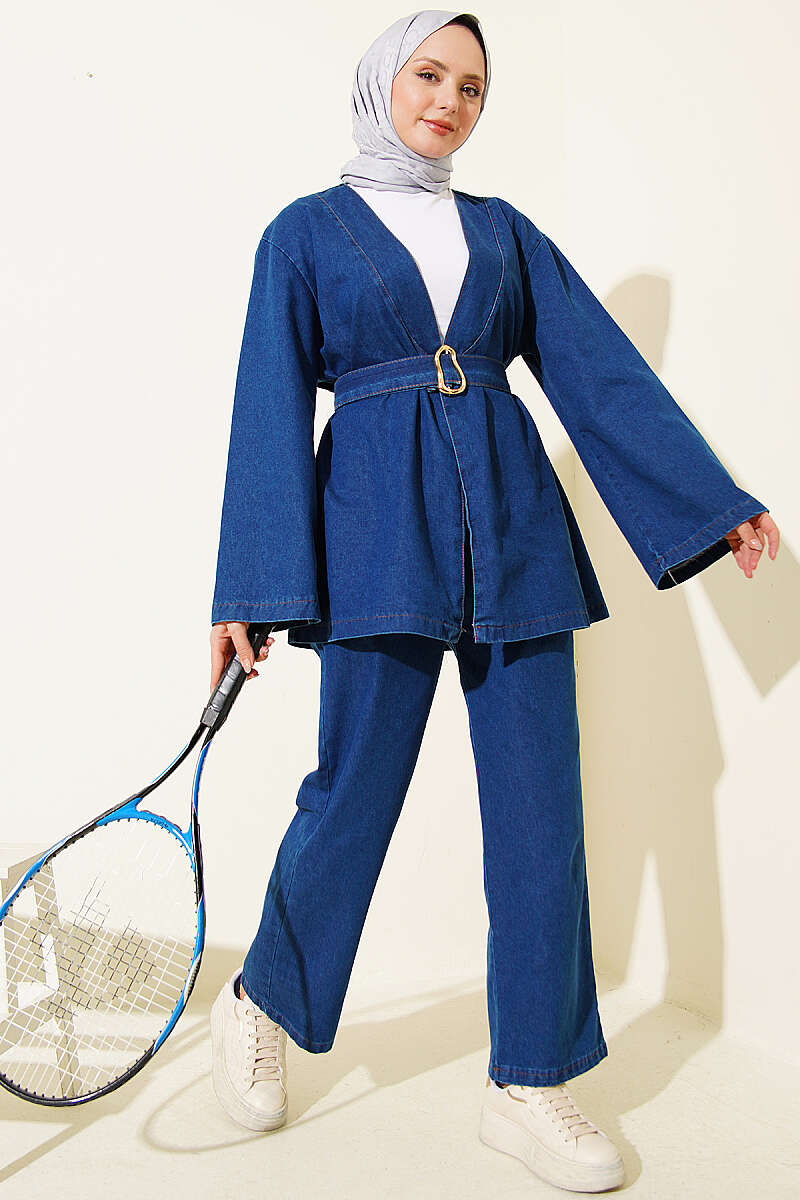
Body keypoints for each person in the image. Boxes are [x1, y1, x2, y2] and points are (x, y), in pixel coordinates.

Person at [207, 10, 779, 1192]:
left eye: (471, 86)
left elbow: (597, 373)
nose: (449, 101)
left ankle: (532, 1077)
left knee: (539, 812)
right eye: (429, 74)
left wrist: (708, 502)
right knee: (351, 794)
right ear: (382, 81)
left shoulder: (504, 233)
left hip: (515, 533)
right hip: (373, 533)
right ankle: (264, 996)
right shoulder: (302, 233)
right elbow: (268, 405)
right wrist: (251, 587)